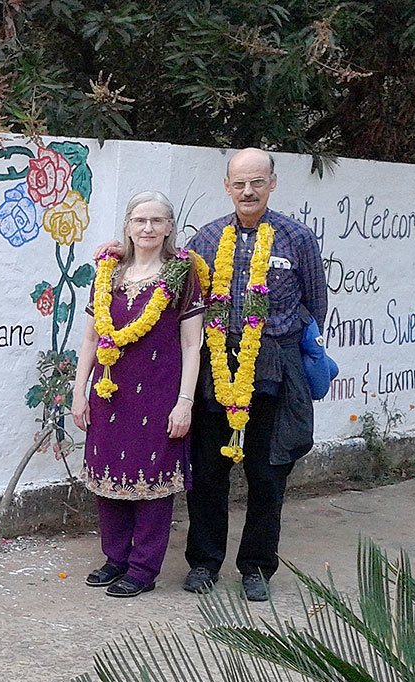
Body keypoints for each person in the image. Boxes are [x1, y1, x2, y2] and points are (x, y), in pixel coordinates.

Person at [182, 147, 327, 601]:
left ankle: (257, 567)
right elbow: (178, 289)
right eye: (239, 183)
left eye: (257, 182)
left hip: (276, 370)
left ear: (272, 183)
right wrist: (117, 251)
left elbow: (316, 305)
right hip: (216, 370)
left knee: (267, 473)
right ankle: (204, 562)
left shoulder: (296, 238)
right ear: (227, 186)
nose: (248, 191)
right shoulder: (205, 239)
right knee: (208, 472)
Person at [72, 191, 204, 597]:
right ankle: (115, 558)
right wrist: (79, 393)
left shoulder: (181, 275)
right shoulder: (108, 272)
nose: (148, 228)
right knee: (107, 477)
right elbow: (91, 338)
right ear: (127, 226)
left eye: (157, 221)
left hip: (159, 394)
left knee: (152, 481)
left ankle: (143, 569)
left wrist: (185, 402)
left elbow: (191, 345)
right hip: (110, 392)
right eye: (140, 221)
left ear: (170, 228)